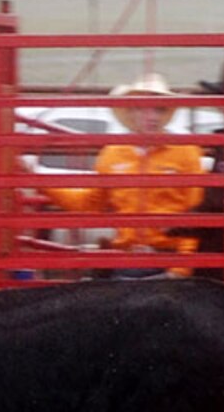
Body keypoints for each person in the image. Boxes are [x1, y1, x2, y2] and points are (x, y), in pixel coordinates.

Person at [39, 73, 207, 277]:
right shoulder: (112, 153)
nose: (152, 116)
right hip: (127, 260)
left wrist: (182, 268)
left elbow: (197, 212)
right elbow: (90, 203)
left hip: (169, 258)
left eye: (160, 109)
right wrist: (39, 182)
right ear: (131, 111)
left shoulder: (186, 152)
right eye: (144, 109)